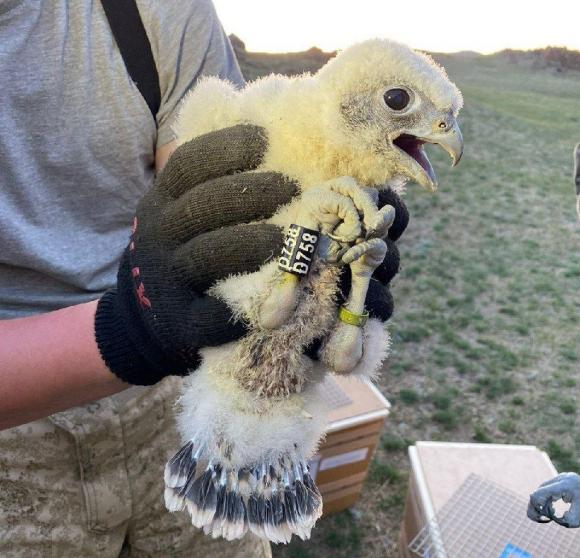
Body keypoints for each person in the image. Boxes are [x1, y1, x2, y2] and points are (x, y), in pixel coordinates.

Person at [0, 1, 406, 556]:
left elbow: (214, 194)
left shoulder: (151, 10)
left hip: (186, 379)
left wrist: (323, 255)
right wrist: (130, 329)